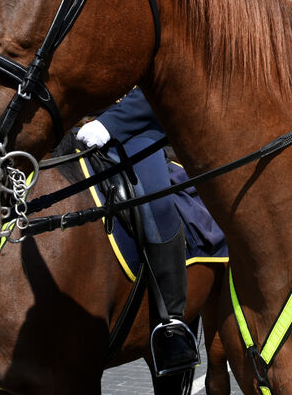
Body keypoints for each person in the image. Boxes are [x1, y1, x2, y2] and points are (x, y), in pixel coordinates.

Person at [76, 88, 199, 376]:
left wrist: (109, 123)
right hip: (74, 123)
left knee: (156, 205)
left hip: (136, 127)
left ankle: (172, 324)